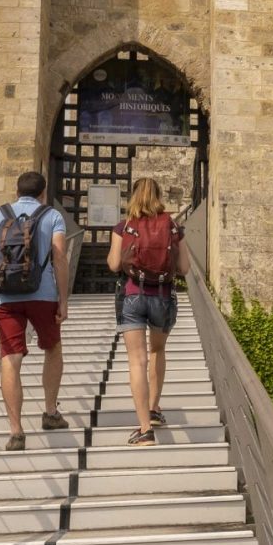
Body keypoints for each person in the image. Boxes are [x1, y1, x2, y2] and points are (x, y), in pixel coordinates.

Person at [0, 171, 70, 451]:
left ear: (17, 191)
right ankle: (51, 412)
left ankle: (16, 431)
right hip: (42, 295)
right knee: (52, 348)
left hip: (4, 295)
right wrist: (63, 299)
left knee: (11, 357)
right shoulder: (52, 216)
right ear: (43, 193)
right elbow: (59, 257)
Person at [108, 177, 191, 446]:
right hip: (163, 297)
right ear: (158, 195)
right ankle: (154, 409)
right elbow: (185, 268)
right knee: (157, 351)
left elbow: (112, 264)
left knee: (137, 361)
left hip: (133, 295)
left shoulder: (124, 226)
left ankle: (145, 429)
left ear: (132, 197)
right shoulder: (173, 226)